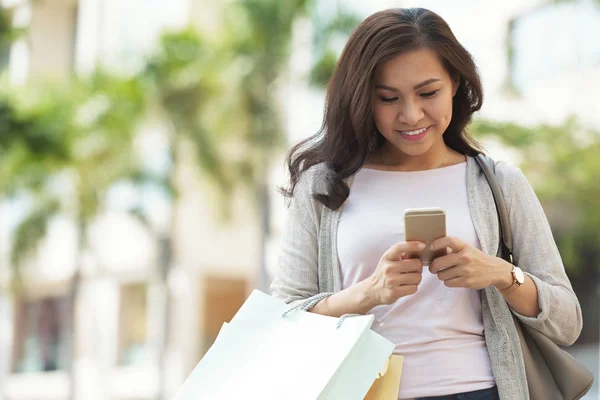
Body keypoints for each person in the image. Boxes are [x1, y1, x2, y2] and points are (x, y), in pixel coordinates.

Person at [270, 7, 583, 400]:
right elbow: (284, 319)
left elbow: (568, 323)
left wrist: (501, 274)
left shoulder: (499, 183)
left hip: (480, 391)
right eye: (388, 98)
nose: (411, 115)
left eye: (428, 92)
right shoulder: (324, 185)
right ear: (364, 98)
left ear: (455, 82)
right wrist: (368, 293)